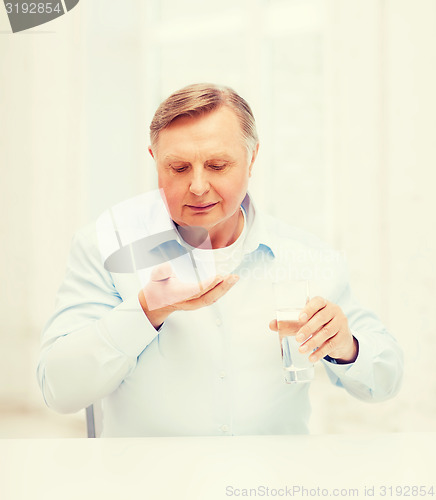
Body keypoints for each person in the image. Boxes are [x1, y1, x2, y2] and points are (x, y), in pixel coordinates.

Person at [37, 83, 403, 437]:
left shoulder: (305, 256)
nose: (197, 186)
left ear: (252, 157)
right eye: (178, 168)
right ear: (154, 160)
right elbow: (59, 390)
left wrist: (348, 347)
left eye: (216, 165)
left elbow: (385, 381)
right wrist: (145, 312)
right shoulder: (104, 246)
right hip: (149, 485)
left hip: (273, 482)